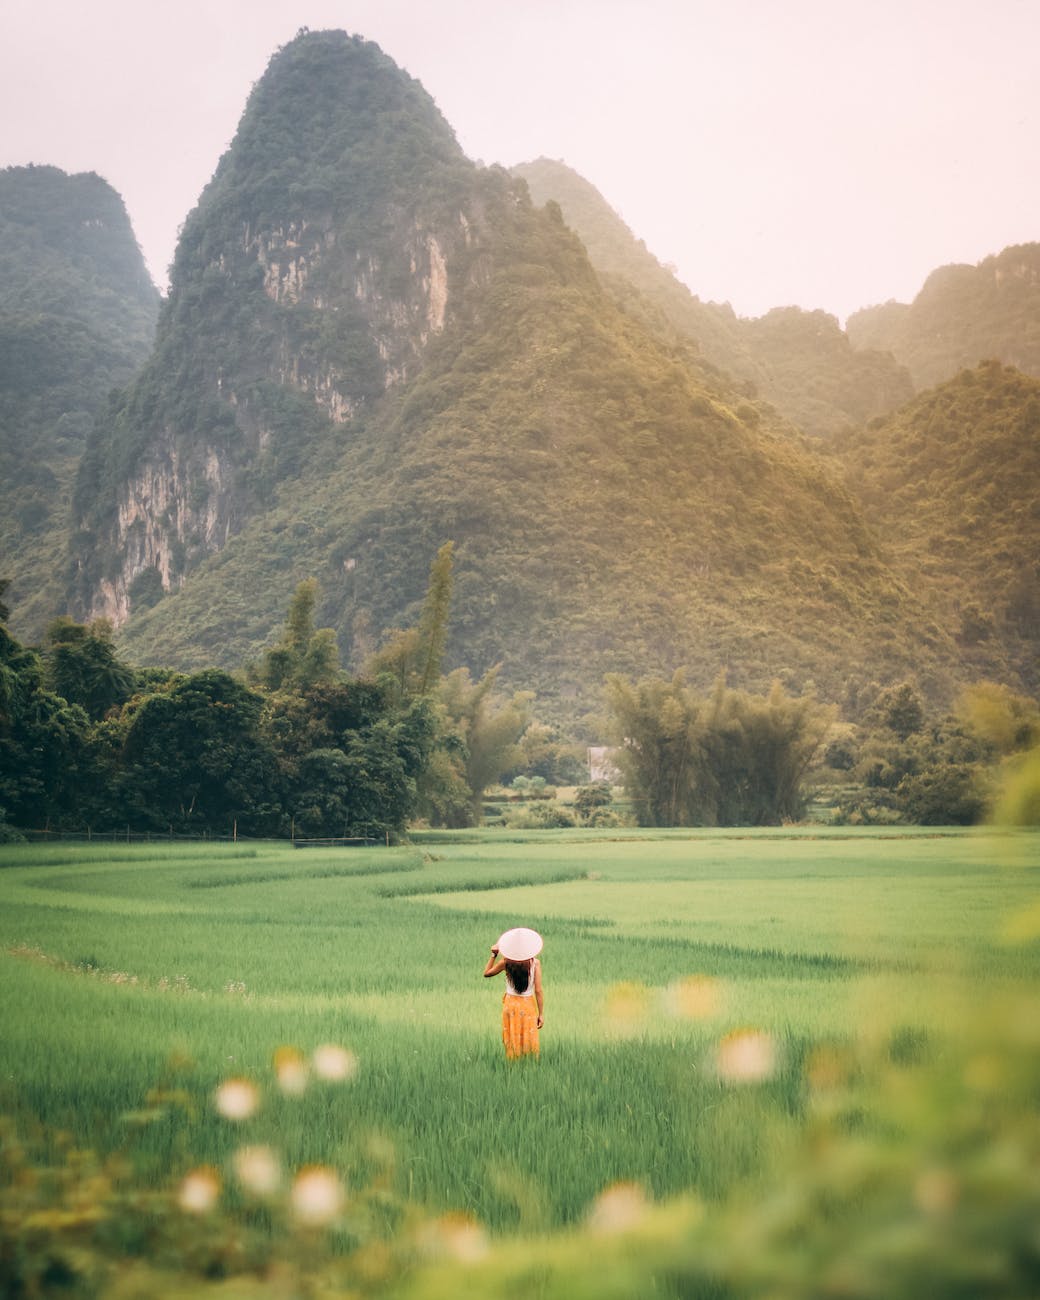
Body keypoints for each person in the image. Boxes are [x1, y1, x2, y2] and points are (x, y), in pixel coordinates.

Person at [483, 928, 544, 1059]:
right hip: (527, 1006)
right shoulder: (535, 963)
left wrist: (493, 954)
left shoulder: (506, 962)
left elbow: (487, 973)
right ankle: (529, 1063)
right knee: (528, 1037)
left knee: (512, 1036)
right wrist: (541, 1014)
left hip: (510, 1005)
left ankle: (512, 1063)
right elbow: (538, 990)